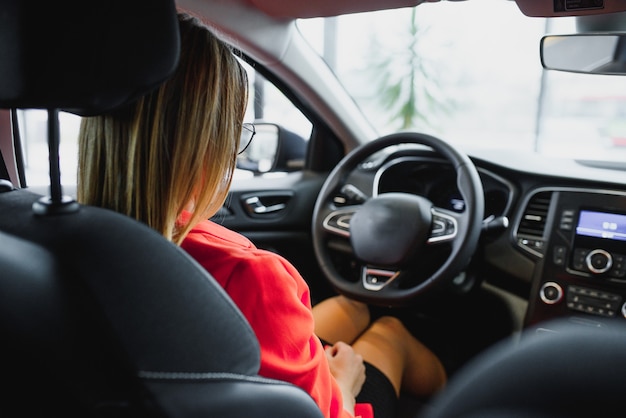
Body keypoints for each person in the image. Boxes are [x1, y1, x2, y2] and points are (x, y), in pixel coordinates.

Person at [77, 12, 446, 418]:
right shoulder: (250, 276)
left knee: (352, 307)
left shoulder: (51, 240)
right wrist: (344, 380)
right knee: (389, 333)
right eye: (233, 132)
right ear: (205, 146)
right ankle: (478, 396)